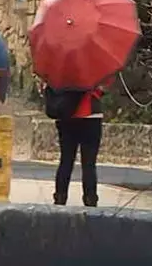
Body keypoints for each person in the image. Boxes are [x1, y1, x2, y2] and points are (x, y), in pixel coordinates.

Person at [48, 78, 109, 207]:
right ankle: (90, 199)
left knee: (66, 160)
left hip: (66, 116)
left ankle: (60, 198)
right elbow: (103, 88)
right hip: (91, 115)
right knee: (89, 164)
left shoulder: (61, 68)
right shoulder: (94, 67)